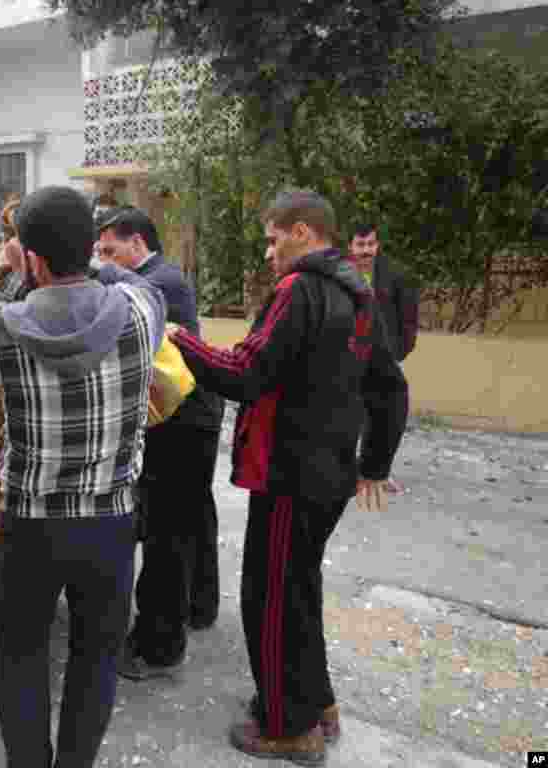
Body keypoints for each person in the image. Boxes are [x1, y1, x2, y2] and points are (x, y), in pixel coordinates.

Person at [168, 189, 408, 766]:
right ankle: (315, 702)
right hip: (329, 474)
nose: (269, 253)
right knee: (299, 590)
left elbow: (248, 370)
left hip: (289, 474)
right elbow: (390, 388)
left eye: (274, 239)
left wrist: (181, 342)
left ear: (302, 232)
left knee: (270, 598)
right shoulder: (359, 294)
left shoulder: (300, 289)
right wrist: (373, 463)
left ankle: (286, 727)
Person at [0, 186, 167, 768]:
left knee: (22, 660)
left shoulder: (2, 326)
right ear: (89, 246)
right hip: (110, 524)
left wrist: (13, 275)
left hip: (31, 528)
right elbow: (140, 283)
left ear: (31, 258)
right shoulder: (137, 310)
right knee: (95, 659)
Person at [95, 206, 225, 681]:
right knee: (192, 518)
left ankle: (158, 645)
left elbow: (108, 294)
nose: (104, 258)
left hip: (182, 422)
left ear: (138, 244)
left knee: (168, 533)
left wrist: (84, 267)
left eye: (110, 250)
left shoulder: (160, 282)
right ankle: (199, 606)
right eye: (97, 250)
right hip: (193, 418)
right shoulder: (162, 278)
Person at [348, 223, 419, 492]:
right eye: (360, 244)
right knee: (350, 413)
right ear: (351, 247)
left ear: (377, 246)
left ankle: (378, 471)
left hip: (382, 358)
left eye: (370, 244)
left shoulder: (395, 276)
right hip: (349, 357)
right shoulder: (342, 274)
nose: (366, 250)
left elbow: (409, 320)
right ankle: (350, 470)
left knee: (384, 414)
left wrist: (396, 353)